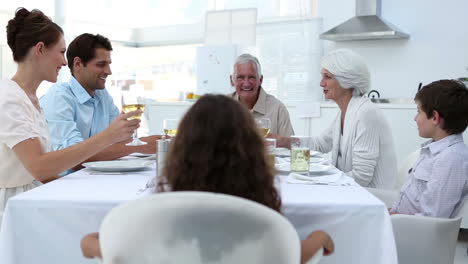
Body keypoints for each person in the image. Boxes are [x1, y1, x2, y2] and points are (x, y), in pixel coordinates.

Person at [81, 95, 334, 263]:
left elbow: (89, 244)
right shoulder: (265, 226)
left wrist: (95, 240)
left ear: (182, 152)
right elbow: (293, 254)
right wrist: (320, 237)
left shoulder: (160, 220)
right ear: (251, 154)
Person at [0, 8, 139, 224]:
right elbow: (39, 166)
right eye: (61, 52)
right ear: (40, 49)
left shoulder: (30, 99)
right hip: (14, 210)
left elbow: (45, 174)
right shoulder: (9, 98)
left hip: (33, 199)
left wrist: (86, 190)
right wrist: (108, 136)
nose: (65, 62)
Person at [273, 49, 397, 189]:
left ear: (347, 80)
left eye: (327, 77)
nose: (321, 83)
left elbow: (362, 177)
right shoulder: (346, 111)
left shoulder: (366, 114)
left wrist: (319, 181)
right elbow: (320, 144)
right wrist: (282, 141)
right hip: (351, 191)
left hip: (374, 198)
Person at [40, 33, 161, 174]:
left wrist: (137, 142)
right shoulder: (59, 97)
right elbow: (74, 159)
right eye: (101, 64)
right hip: (62, 185)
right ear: (78, 64)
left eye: (108, 64)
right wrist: (139, 146)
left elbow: (121, 140)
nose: (109, 72)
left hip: (94, 179)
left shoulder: (102, 95)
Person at [390, 80, 468, 217]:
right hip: (399, 222)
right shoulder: (433, 151)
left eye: (418, 112)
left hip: (410, 231)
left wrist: (392, 218)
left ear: (435, 117)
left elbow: (432, 217)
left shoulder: (451, 159)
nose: (415, 118)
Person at [229, 53, 294, 137]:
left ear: (261, 80)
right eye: (240, 77)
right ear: (231, 80)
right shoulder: (221, 108)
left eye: (251, 77)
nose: (246, 83)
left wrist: (276, 141)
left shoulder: (277, 109)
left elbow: (292, 145)